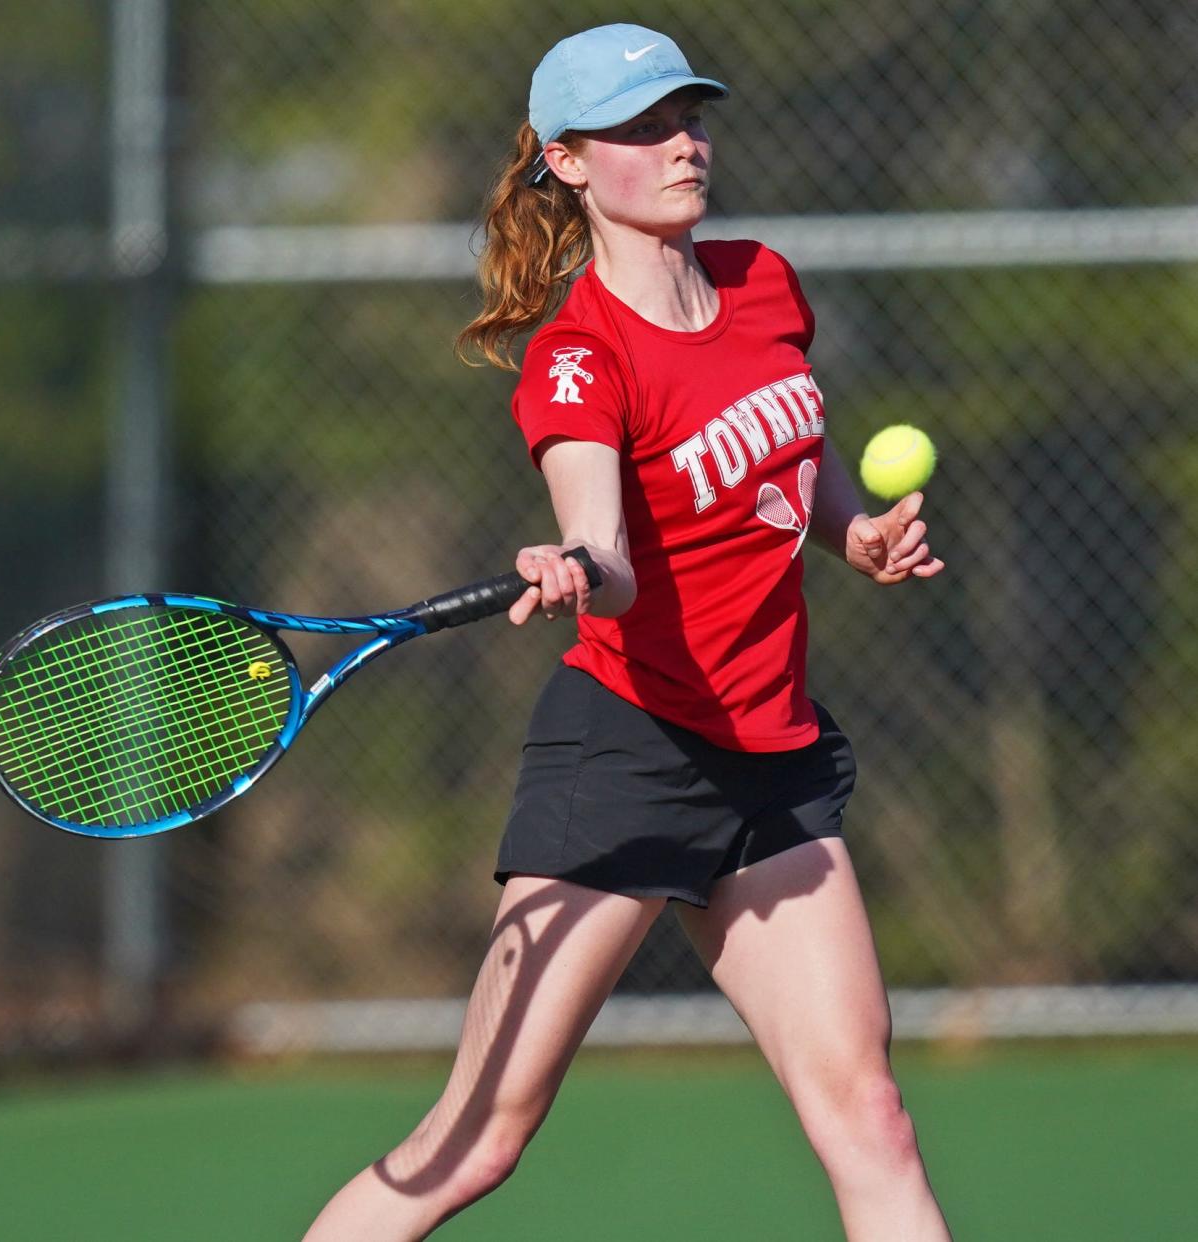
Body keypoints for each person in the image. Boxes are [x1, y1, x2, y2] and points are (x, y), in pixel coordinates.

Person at [304, 23, 950, 1241]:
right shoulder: (575, 360)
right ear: (567, 160)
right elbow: (605, 545)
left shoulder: (765, 282)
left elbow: (782, 464)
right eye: (643, 128)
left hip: (772, 758)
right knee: (473, 1144)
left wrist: (854, 530)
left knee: (872, 1118)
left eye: (688, 116)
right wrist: (580, 567)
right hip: (629, 758)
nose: (683, 145)